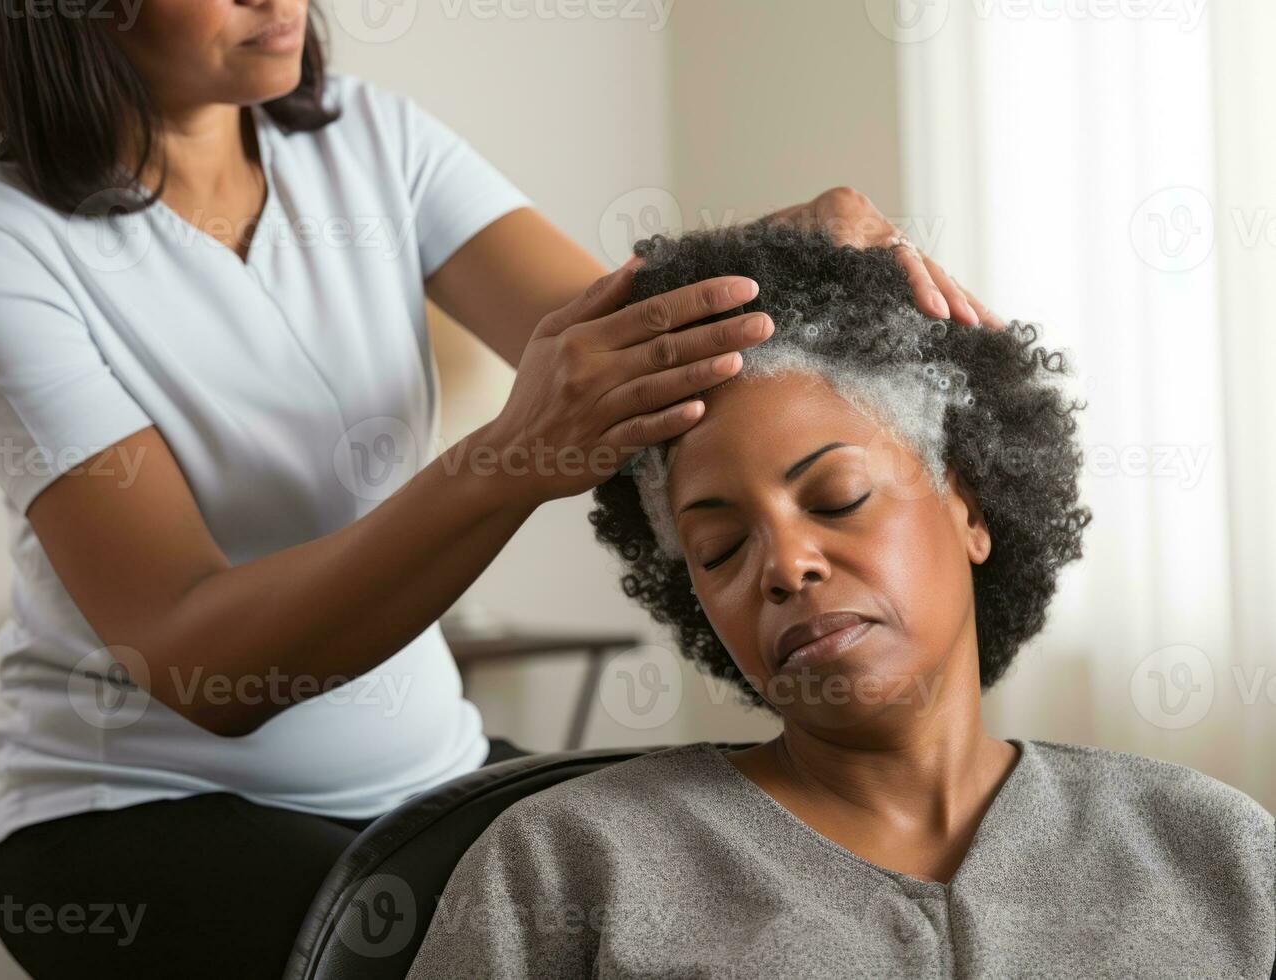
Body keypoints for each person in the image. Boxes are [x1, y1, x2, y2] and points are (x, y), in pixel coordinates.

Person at [0, 3, 998, 977]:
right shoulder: (4, 244)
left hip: (429, 773)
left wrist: (791, 248)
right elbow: (200, 660)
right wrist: (510, 456)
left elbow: (626, 352)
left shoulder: (370, 139)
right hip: (134, 814)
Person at [403, 222, 1276, 979]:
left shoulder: (1212, 849)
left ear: (969, 507)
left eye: (836, 500)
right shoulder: (568, 865)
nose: (785, 566)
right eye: (719, 548)